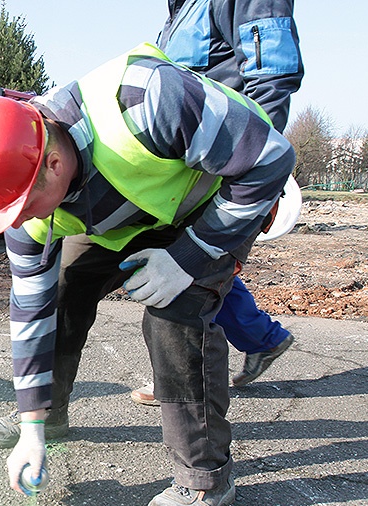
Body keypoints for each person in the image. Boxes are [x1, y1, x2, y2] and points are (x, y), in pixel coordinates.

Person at [0, 43, 295, 506]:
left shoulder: (147, 100)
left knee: (174, 315)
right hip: (124, 212)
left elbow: (271, 159)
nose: (20, 222)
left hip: (210, 204)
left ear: (53, 165)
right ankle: (53, 413)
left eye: (23, 207)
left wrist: (189, 255)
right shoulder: (28, 205)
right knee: (65, 287)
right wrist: (31, 424)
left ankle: (206, 475)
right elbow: (29, 312)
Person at [131, 0, 303, 405]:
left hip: (224, 168)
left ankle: (185, 389)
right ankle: (262, 338)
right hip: (186, 174)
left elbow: (271, 78)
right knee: (192, 267)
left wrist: (256, 170)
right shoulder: (181, 12)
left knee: (190, 275)